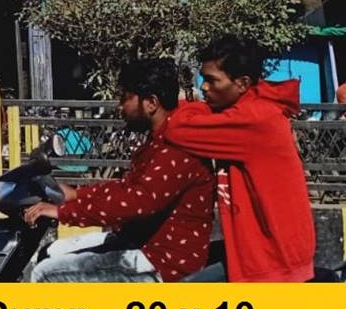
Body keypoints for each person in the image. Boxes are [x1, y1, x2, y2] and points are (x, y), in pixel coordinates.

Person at [23, 59, 215, 283]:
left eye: (125, 98)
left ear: (151, 103)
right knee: (50, 251)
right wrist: (76, 194)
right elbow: (126, 188)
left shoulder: (177, 145)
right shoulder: (161, 137)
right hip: (141, 242)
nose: (119, 106)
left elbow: (136, 202)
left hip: (163, 261)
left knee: (44, 274)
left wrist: (62, 212)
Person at [164, 35, 315, 282]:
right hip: (262, 250)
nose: (204, 88)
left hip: (270, 260)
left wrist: (193, 106)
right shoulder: (253, 109)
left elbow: (177, 129)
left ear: (243, 83)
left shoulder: (253, 119)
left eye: (212, 81)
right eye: (203, 79)